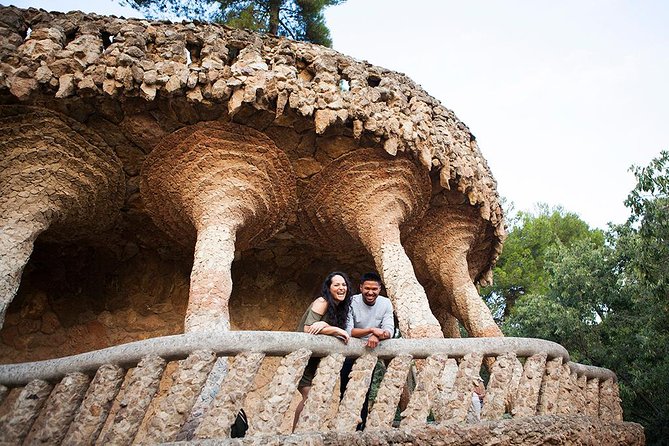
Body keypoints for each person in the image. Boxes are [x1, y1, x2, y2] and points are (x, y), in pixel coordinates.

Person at [293, 271, 352, 430]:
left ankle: (303, 433)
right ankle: (295, 435)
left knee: (314, 398)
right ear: (329, 288)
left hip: (317, 361)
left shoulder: (340, 308)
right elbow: (307, 328)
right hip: (304, 358)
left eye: (344, 284)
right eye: (337, 285)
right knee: (309, 396)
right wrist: (333, 329)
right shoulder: (322, 301)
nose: (341, 288)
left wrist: (326, 326)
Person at [340, 272, 394, 429]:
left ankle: (360, 431)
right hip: (351, 351)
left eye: (374, 289)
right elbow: (348, 330)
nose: (370, 292)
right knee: (346, 391)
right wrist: (372, 330)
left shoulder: (385, 303)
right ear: (361, 287)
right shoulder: (351, 301)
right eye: (367, 288)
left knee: (364, 391)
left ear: (380, 289)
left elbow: (389, 329)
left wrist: (378, 336)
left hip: (371, 351)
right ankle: (344, 428)